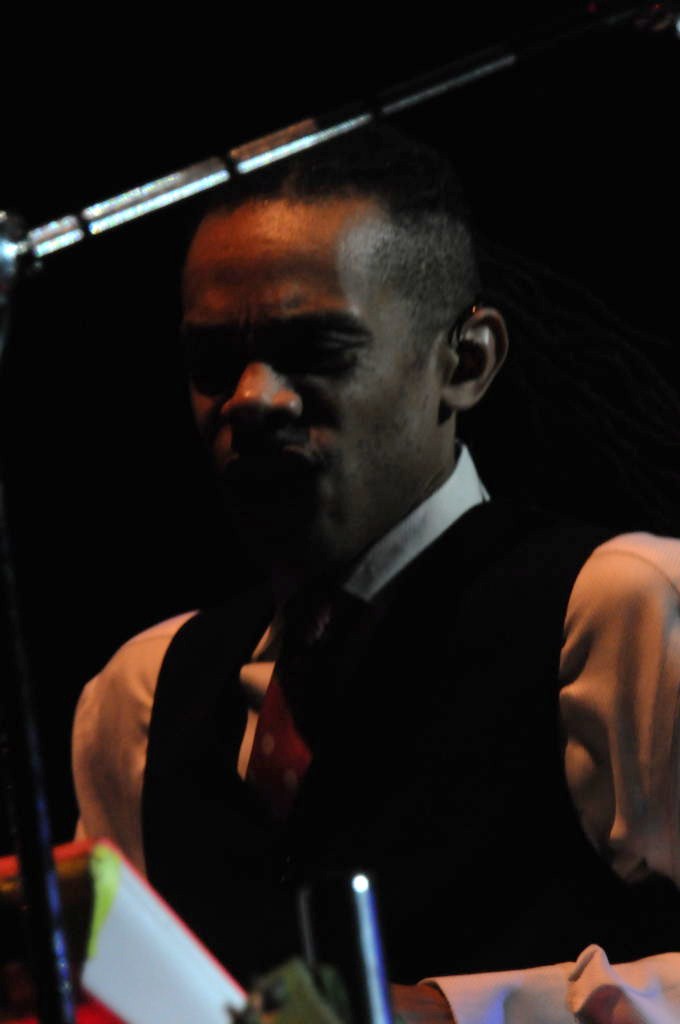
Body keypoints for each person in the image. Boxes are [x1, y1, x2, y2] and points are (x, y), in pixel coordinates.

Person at [72, 125, 680, 1023]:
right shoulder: (143, 695)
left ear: (466, 362)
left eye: (318, 350)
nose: (250, 399)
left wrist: (456, 1012)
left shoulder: (624, 609)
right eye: (211, 362)